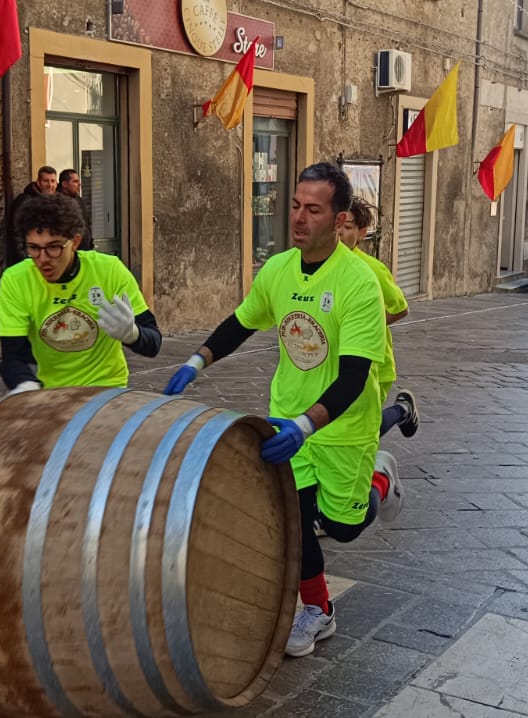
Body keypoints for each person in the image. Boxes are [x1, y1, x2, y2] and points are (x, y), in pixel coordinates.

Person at [161, 163, 401, 658]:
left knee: (343, 529)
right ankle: (318, 610)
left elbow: (354, 377)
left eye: (313, 209)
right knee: (294, 521)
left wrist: (307, 425)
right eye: (294, 205)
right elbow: (241, 322)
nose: (298, 217)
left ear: (339, 220)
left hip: (342, 427)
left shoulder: (359, 283)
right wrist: (195, 361)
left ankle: (381, 477)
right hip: (286, 417)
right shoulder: (277, 269)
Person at [0, 193, 159, 392]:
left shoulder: (109, 270)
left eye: (53, 247)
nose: (43, 258)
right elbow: (12, 358)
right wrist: (25, 385)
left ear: (74, 242)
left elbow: (154, 343)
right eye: (34, 248)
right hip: (52, 391)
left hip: (107, 387)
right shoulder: (16, 280)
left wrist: (133, 335)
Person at [338, 197, 419, 439]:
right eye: (337, 224)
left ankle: (402, 410)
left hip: (375, 363)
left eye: (348, 227)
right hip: (338, 361)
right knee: (343, 427)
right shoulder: (325, 265)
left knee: (364, 431)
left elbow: (400, 308)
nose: (340, 232)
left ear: (361, 233)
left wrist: (365, 325)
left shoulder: (372, 269)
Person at [2, 166, 58, 268]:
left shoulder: (57, 202)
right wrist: (25, 258)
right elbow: (16, 231)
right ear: (38, 183)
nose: (50, 185)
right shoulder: (26, 201)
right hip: (29, 259)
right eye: (46, 181)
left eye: (53, 181)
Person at [57, 168, 94, 251]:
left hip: (85, 249)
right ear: (64, 184)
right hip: (69, 250)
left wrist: (90, 242)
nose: (79, 184)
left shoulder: (79, 200)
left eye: (78, 181)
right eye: (75, 181)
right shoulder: (57, 203)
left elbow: (87, 223)